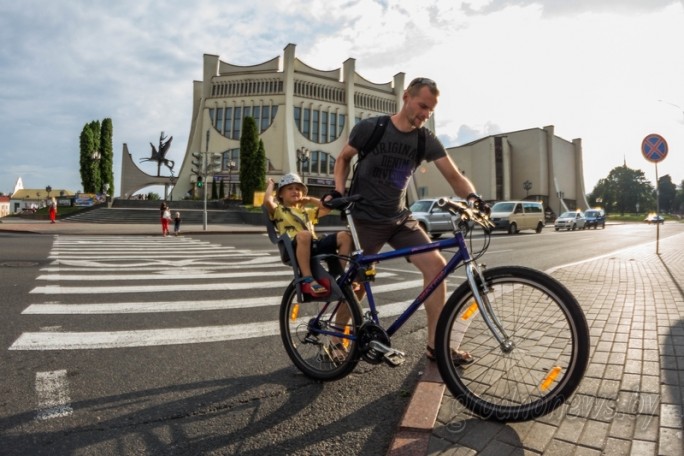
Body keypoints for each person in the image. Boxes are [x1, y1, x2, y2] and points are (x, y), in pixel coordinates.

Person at [330, 77, 486, 365]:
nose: (426, 114)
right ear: (406, 97)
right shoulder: (372, 128)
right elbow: (343, 159)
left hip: (399, 218)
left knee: (437, 266)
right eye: (422, 105)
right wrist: (338, 192)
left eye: (431, 110)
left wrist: (475, 200)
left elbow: (453, 176)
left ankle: (435, 345)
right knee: (357, 282)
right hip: (365, 219)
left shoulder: (425, 139)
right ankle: (337, 337)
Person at [263, 173, 353, 297]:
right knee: (304, 234)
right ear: (281, 195)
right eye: (290, 188)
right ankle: (308, 279)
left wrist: (310, 199)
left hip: (313, 244)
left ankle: (338, 276)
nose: (295, 191)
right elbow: (267, 201)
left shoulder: (306, 212)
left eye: (298, 189)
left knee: (345, 236)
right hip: (293, 247)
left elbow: (327, 208)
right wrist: (271, 185)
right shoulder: (278, 210)